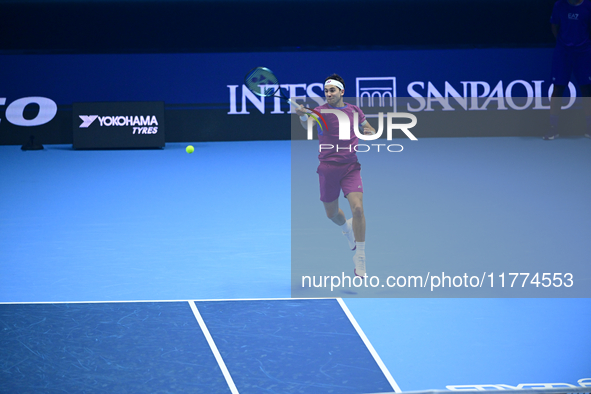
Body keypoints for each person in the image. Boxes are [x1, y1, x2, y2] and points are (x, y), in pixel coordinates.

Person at [296, 74, 375, 277]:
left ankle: (361, 258)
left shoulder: (354, 110)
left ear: (342, 91)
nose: (329, 94)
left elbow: (367, 127)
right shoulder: (320, 111)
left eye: (332, 90)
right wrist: (303, 115)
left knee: (358, 209)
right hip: (327, 168)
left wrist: (369, 131)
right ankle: (347, 228)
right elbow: (307, 126)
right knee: (332, 214)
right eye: (326, 91)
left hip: (350, 167)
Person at [545, 0, 591, 140]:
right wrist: (564, 43)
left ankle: (589, 128)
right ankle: (553, 128)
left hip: (583, 52)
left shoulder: (588, 5)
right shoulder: (559, 5)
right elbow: (555, 26)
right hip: (563, 52)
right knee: (558, 88)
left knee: (587, 89)